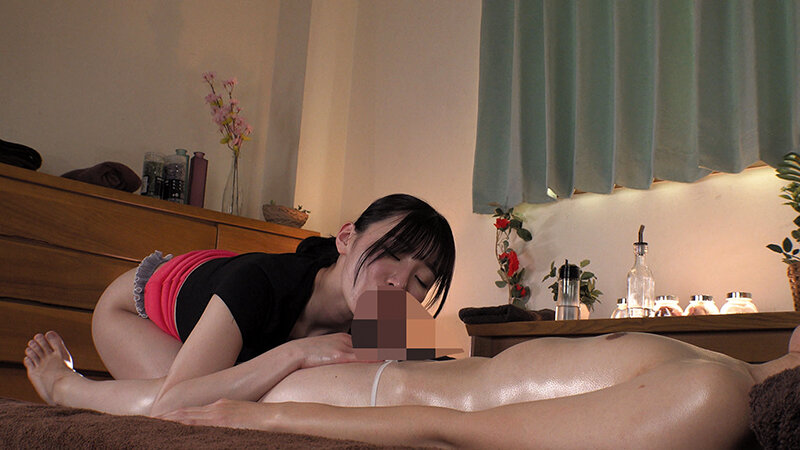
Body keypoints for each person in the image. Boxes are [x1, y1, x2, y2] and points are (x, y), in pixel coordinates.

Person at [23, 193, 456, 417]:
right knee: (188, 402)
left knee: (238, 391)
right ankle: (65, 386)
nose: (400, 283)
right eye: (390, 253)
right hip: (136, 309)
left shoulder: (388, 315)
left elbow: (428, 379)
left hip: (216, 289)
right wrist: (297, 353)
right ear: (346, 238)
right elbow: (175, 404)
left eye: (422, 280)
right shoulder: (261, 282)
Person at [153, 327, 800, 448]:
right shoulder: (725, 371)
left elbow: (457, 430)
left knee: (156, 402)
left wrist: (266, 420)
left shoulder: (714, 399)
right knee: (152, 383)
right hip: (387, 376)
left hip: (366, 397)